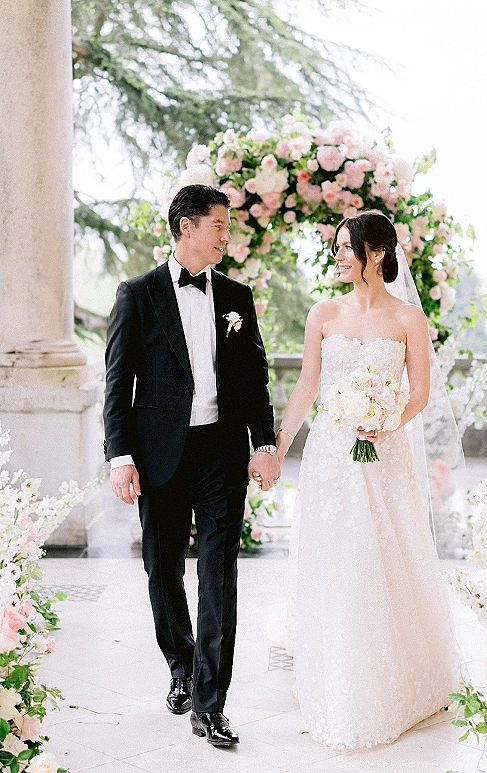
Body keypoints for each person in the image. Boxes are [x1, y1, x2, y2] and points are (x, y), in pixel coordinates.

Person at [275, 210, 462, 750]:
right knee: (335, 556)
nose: (336, 256)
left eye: (344, 247)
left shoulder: (407, 318)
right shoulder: (322, 313)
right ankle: (333, 669)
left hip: (385, 452)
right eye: (335, 247)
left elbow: (420, 391)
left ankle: (397, 676)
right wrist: (276, 447)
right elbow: (308, 384)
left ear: (375, 253)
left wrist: (384, 421)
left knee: (385, 555)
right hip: (331, 456)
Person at [103, 185, 280, 748]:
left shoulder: (236, 296)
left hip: (221, 455)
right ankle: (180, 664)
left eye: (228, 226)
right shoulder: (138, 294)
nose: (228, 235)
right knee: (162, 571)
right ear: (185, 227)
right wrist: (120, 456)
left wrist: (265, 444)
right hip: (159, 457)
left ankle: (211, 701)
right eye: (219, 226)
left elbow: (255, 377)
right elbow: (117, 382)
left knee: (219, 576)